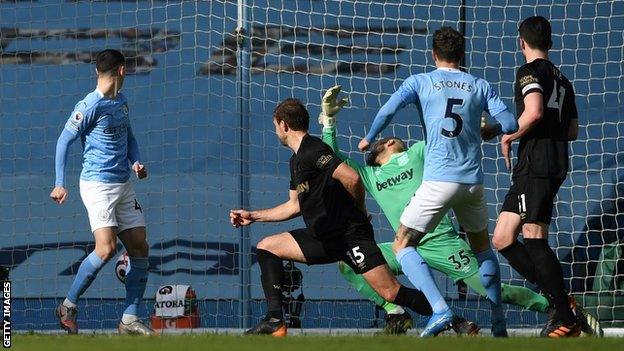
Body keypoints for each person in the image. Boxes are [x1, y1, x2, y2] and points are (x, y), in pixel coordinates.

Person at [320, 86, 601, 337]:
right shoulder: (369, 175)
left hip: (441, 241)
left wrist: (475, 123)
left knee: (495, 292)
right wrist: (329, 121)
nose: (389, 139)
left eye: (388, 137)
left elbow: (450, 139)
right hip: (404, 246)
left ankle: (560, 306)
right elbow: (333, 161)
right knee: (350, 262)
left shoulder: (419, 151)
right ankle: (399, 311)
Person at [230, 98, 445, 337]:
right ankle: (274, 320)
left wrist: (360, 211)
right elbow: (293, 206)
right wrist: (254, 216)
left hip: (349, 236)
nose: (275, 131)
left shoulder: (314, 149)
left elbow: (351, 178)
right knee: (267, 247)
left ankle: (453, 319)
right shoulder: (295, 160)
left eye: (275, 125)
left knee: (391, 292)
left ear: (283, 125)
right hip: (323, 239)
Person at [358, 26, 519, 336]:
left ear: (433, 54)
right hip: (472, 183)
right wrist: (492, 129)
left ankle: (440, 309)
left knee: (402, 245)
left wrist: (369, 138)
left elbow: (389, 109)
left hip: (439, 181)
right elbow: (511, 122)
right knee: (483, 251)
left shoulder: (421, 81)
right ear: (462, 55)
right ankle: (499, 323)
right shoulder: (480, 85)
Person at [490, 16, 583, 338]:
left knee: (533, 236)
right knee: (502, 238)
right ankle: (560, 301)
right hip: (547, 162)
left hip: (538, 164)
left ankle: (565, 317)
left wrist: (508, 136)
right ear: (551, 43)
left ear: (521, 42)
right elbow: (572, 131)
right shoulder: (564, 81)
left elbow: (534, 111)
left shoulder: (528, 72)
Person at [50, 49, 154, 335]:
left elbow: (129, 138)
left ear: (99, 71)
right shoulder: (89, 105)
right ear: (122, 71)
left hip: (123, 185)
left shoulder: (121, 101)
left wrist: (136, 162)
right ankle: (68, 306)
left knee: (140, 248)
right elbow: (63, 140)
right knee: (106, 248)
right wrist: (60, 183)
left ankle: (129, 319)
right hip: (97, 186)